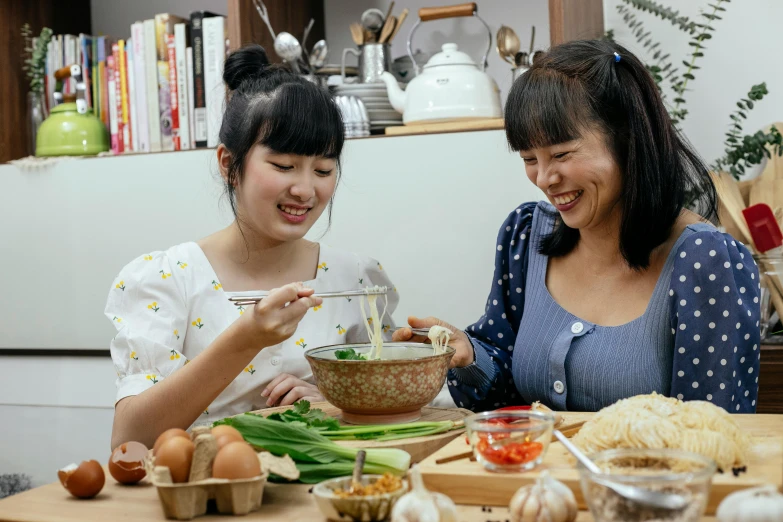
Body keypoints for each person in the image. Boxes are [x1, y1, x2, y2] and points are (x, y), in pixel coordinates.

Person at [394, 40, 761, 414]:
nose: (544, 178)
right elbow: (503, 396)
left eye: (561, 154)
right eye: (529, 159)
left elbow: (710, 434)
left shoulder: (705, 261)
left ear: (627, 139)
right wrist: (469, 354)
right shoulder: (526, 236)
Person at [105, 44, 398, 449]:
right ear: (229, 165)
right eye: (283, 166)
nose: (305, 189)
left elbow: (390, 415)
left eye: (324, 169)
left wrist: (332, 403)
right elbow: (130, 438)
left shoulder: (356, 279)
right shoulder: (167, 279)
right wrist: (245, 337)